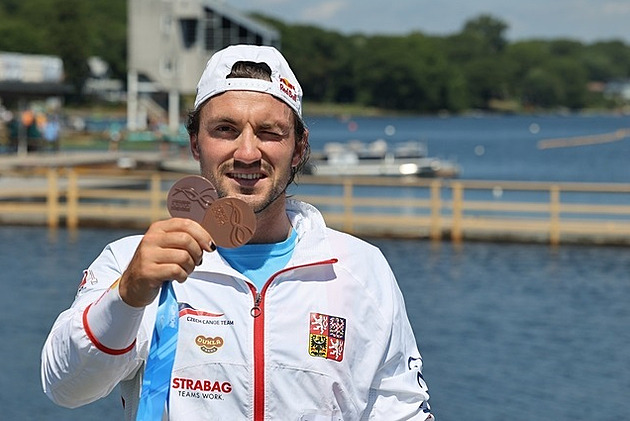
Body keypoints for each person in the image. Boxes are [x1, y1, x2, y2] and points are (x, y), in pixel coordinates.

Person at [41, 45, 433, 420]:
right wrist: (127, 295)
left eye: (269, 132)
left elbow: (401, 411)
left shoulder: (359, 269)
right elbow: (66, 388)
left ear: (298, 149)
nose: (247, 152)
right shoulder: (136, 263)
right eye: (225, 129)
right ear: (196, 143)